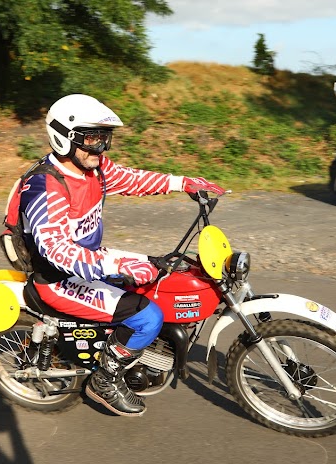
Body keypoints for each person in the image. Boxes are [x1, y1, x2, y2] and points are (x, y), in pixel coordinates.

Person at [17, 93, 225, 417]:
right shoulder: (46, 186)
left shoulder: (93, 169)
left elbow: (132, 179)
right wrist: (117, 263)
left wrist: (182, 182)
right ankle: (104, 381)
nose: (100, 147)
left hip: (89, 262)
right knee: (147, 317)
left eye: (104, 138)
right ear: (64, 137)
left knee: (162, 274)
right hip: (58, 279)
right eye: (91, 138)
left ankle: (134, 348)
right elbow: (55, 249)